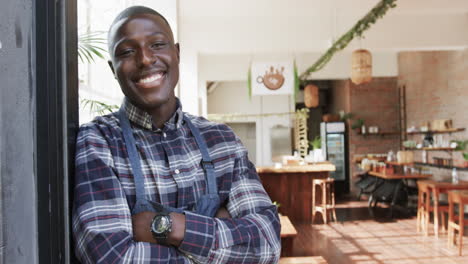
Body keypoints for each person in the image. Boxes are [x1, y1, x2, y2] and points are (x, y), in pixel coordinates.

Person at [72, 5, 281, 263]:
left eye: (157, 44)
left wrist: (164, 227)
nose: (146, 59)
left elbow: (267, 243)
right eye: (127, 51)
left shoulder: (222, 141)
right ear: (113, 69)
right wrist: (217, 235)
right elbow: (110, 256)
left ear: (177, 53)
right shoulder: (99, 141)